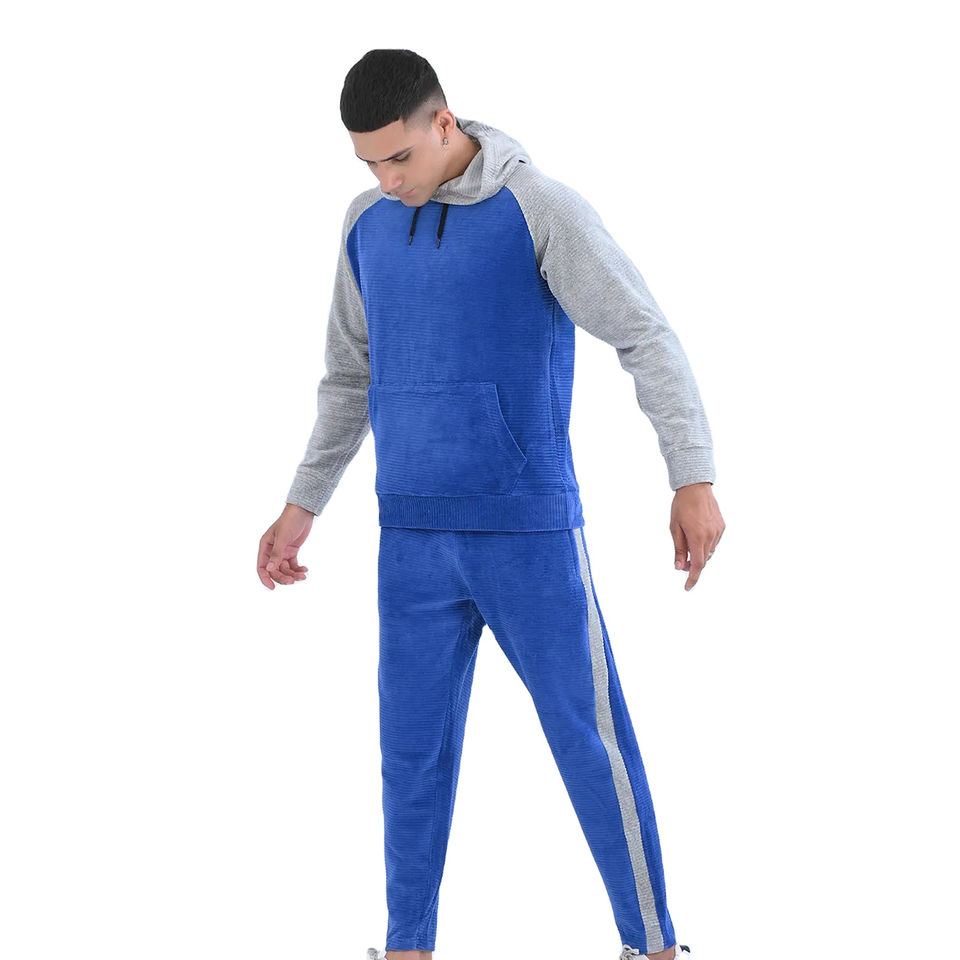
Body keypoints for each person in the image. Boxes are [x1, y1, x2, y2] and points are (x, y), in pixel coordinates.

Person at [257, 48, 724, 960]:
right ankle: (406, 947)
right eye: (368, 163)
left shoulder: (535, 206)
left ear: (445, 122)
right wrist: (302, 504)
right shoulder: (366, 226)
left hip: (527, 532)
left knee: (590, 743)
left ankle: (656, 946)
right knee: (410, 758)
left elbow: (644, 332)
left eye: (399, 158)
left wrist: (692, 474)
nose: (387, 181)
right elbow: (350, 379)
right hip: (411, 537)